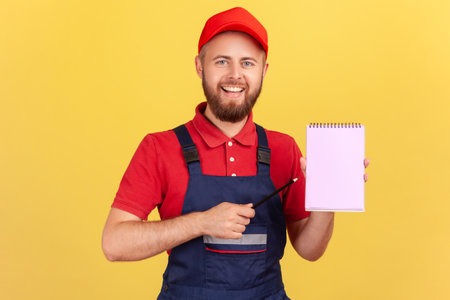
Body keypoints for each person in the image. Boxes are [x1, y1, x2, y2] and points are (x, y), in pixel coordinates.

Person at [102, 7, 370, 300]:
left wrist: (328, 198)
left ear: (263, 70)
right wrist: (201, 222)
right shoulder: (160, 148)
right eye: (221, 61)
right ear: (199, 67)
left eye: (247, 63)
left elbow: (310, 250)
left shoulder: (284, 149)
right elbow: (115, 244)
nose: (235, 75)